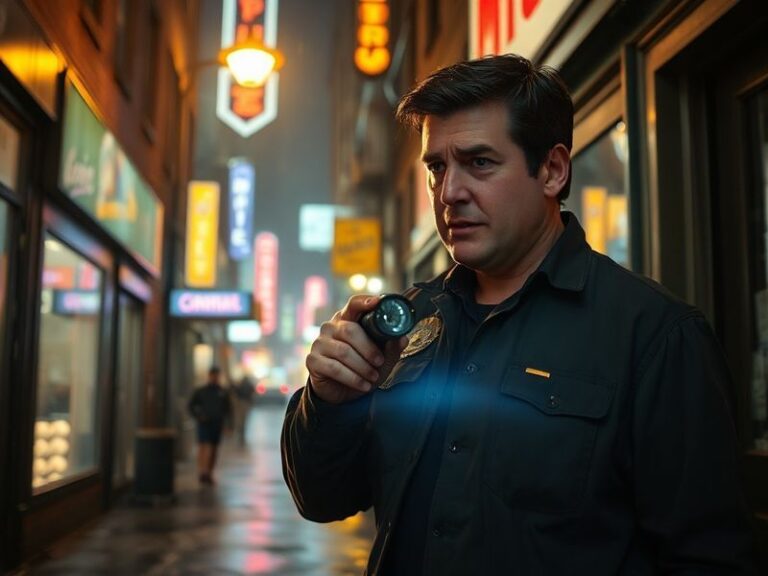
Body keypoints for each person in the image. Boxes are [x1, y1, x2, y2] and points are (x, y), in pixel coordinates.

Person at [281, 54, 755, 574]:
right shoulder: (412, 321)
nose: (449, 192)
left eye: (480, 162)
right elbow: (322, 499)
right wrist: (329, 401)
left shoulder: (655, 335)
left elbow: (708, 557)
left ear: (552, 171)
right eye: (437, 167)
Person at [188, 366, 231, 485]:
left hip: (217, 424)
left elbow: (228, 410)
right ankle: (203, 471)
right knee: (204, 446)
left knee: (214, 449)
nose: (215, 378)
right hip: (204, 424)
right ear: (209, 376)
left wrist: (228, 426)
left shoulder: (222, 392)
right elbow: (191, 406)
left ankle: (209, 472)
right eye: (213, 375)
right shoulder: (201, 391)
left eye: (217, 375)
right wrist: (199, 416)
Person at [231, 371, 255, 446]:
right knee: (243, 420)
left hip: (242, 403)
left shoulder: (241, 385)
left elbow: (237, 392)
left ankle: (241, 433)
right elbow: (252, 392)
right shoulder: (248, 385)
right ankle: (241, 434)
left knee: (240, 420)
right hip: (245, 403)